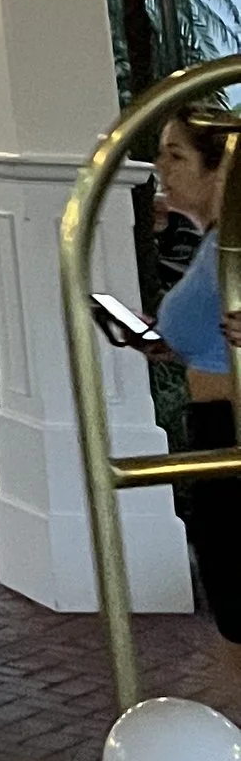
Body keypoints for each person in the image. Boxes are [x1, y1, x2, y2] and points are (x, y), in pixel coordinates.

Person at [148, 106, 241, 638]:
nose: (161, 165)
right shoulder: (216, 244)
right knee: (231, 606)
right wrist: (163, 341)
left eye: (176, 154)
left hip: (231, 430)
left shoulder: (234, 244)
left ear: (219, 169)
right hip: (213, 430)